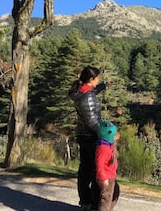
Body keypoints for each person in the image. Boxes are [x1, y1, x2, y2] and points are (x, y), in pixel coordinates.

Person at [69, 66, 108, 211]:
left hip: (82, 135)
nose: (99, 80)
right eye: (97, 78)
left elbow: (92, 93)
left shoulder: (80, 92)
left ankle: (85, 202)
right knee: (96, 170)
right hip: (91, 137)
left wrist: (103, 86)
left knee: (84, 170)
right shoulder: (87, 96)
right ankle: (95, 203)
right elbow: (92, 121)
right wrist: (107, 133)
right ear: (91, 79)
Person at [95, 120, 120, 211]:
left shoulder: (108, 144)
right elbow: (100, 165)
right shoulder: (103, 148)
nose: (116, 136)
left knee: (114, 193)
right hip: (106, 178)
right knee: (106, 198)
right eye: (113, 134)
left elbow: (116, 137)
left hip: (110, 176)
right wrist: (103, 178)